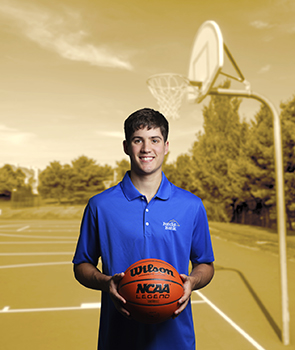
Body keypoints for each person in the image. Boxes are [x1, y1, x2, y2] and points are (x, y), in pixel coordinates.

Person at [72, 107, 215, 350]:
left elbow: (206, 264)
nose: (147, 149)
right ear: (126, 146)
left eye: (155, 140)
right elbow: (81, 265)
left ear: (166, 146)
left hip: (176, 341)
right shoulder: (101, 205)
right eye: (138, 140)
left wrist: (192, 281)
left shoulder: (191, 205)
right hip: (118, 339)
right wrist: (106, 282)